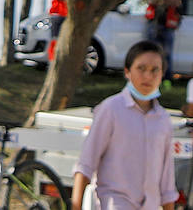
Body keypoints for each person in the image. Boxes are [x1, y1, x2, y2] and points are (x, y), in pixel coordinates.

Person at [71, 40, 177, 210]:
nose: (148, 76)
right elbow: (86, 163)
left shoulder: (163, 119)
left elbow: (167, 182)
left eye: (154, 70)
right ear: (127, 71)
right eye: (141, 68)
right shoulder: (111, 109)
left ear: (162, 73)